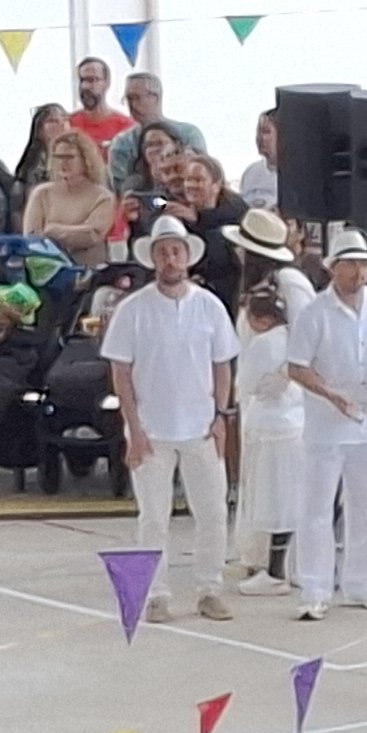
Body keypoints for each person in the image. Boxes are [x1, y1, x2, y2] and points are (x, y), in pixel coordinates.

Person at [104, 218, 242, 622]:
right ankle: (157, 594)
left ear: (187, 256)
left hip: (201, 427)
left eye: (176, 250)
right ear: (153, 258)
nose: (170, 258)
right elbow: (121, 373)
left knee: (213, 511)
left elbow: (222, 366)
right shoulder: (133, 310)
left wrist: (221, 416)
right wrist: (133, 428)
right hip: (152, 429)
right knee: (153, 518)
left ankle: (210, 587)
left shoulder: (209, 306)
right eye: (162, 251)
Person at [282, 235, 367, 623]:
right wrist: (331, 395)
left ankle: (360, 582)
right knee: (317, 508)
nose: (357, 273)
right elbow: (297, 366)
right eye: (349, 265)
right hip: (326, 425)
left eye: (363, 265)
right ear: (332, 267)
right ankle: (315, 588)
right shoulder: (315, 312)